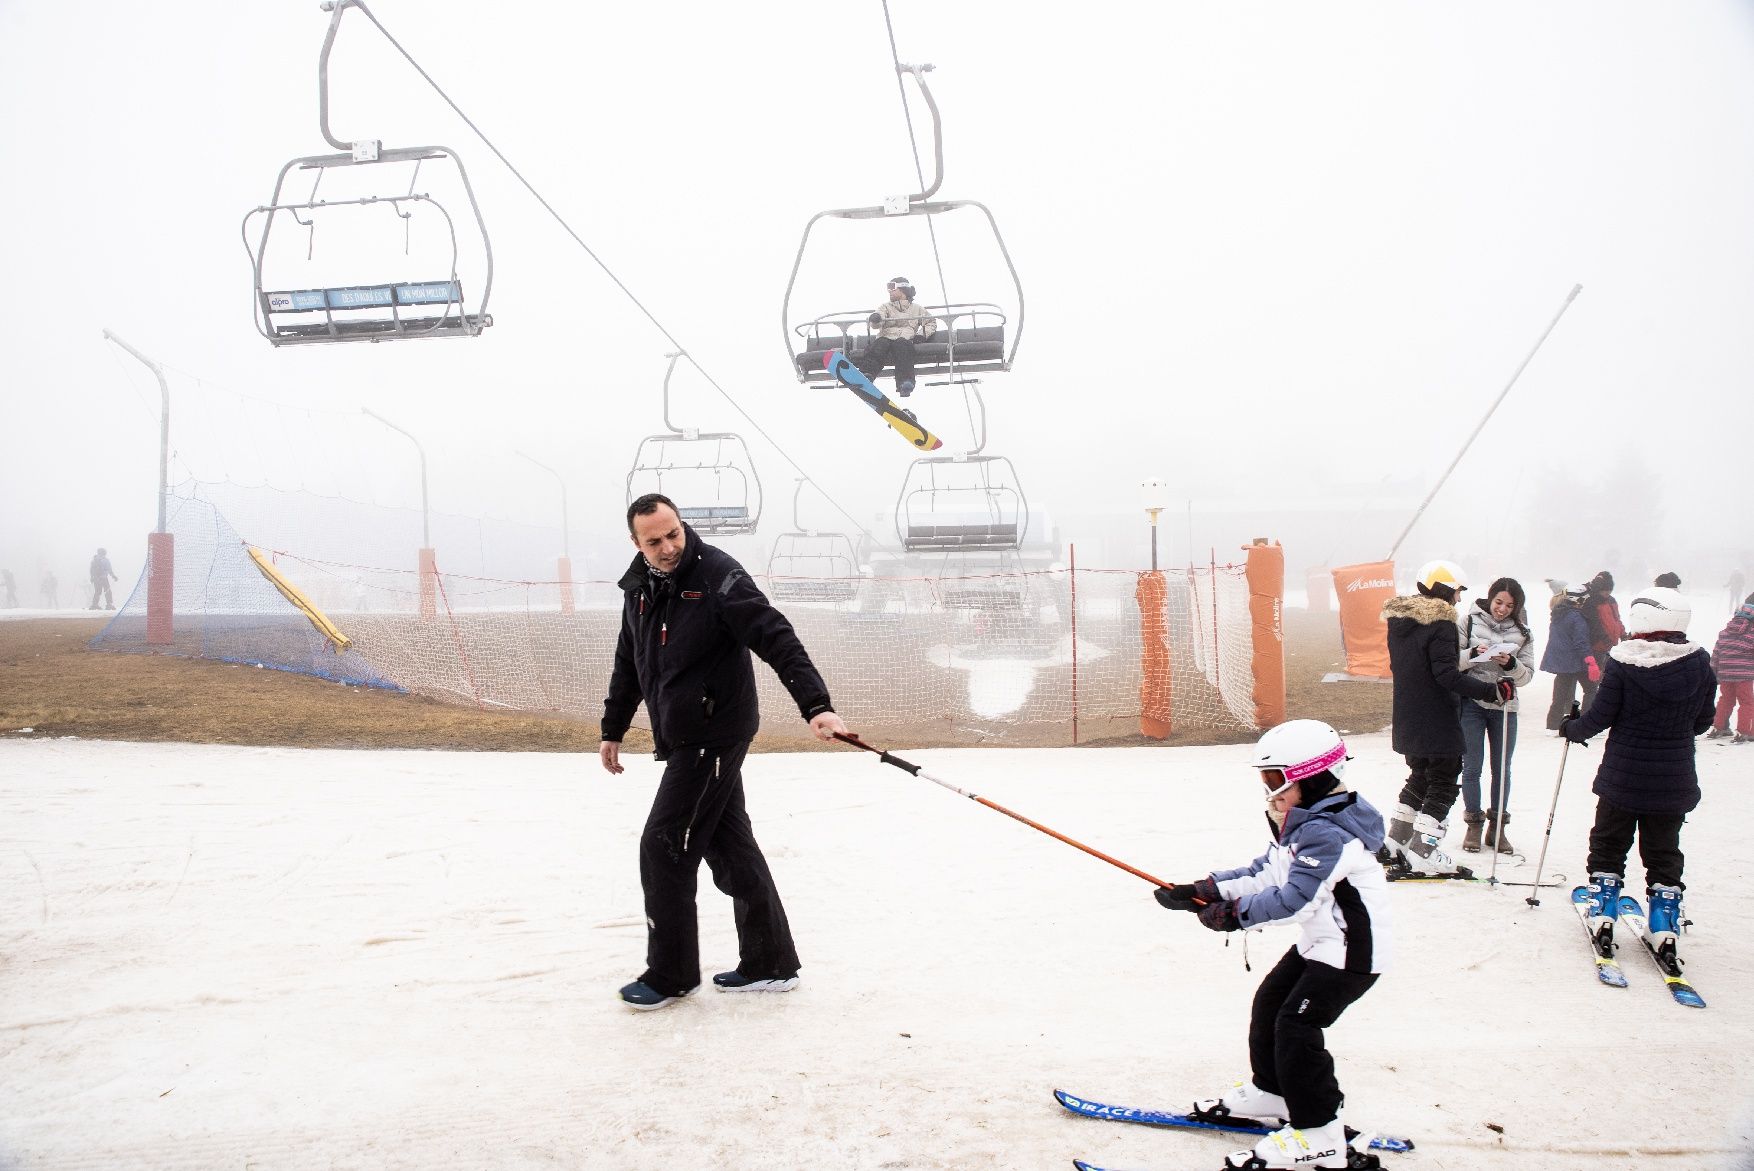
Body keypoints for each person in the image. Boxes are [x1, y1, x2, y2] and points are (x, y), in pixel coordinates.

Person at [600, 493, 850, 1011]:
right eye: (655, 541)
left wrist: (816, 705)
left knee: (664, 843)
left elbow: (774, 634)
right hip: (683, 732)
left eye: (674, 534)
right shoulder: (639, 587)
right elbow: (630, 658)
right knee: (729, 846)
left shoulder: (718, 574)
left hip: (715, 732)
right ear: (636, 543)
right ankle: (770, 963)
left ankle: (671, 975)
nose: (669, 547)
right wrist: (614, 726)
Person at [1153, 720, 1389, 1171]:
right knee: (1270, 1004)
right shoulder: (1303, 822)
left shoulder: (1327, 832)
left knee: (1297, 1028)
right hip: (1324, 942)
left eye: (1277, 780)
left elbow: (1295, 899)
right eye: (1266, 779)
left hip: (1352, 951)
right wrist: (1204, 889)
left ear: (1314, 777)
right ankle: (1274, 1092)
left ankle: (1319, 1136)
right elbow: (1268, 872)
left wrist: (1233, 915)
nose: (1269, 792)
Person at [1565, 586, 1715, 968]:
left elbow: (1601, 717)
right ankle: (1664, 924)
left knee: (1609, 842)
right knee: (1663, 850)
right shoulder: (1698, 662)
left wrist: (1572, 728)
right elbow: (1703, 720)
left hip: (1623, 777)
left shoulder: (1623, 661)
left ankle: (1603, 911)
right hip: (1673, 778)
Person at [1378, 560, 1506, 877]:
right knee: (1445, 781)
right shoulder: (1442, 623)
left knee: (1420, 776)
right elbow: (1447, 675)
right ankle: (1424, 851)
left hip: (1408, 714)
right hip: (1436, 715)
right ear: (1444, 589)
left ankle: (1395, 844)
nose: (1459, 599)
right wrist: (1492, 691)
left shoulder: (1400, 621)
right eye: (1457, 592)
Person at [1456, 577, 1535, 853]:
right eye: (1499, 602)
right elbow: (1453, 661)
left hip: (1505, 707)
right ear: (1490, 599)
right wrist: (1473, 654)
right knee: (1472, 767)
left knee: (1502, 769)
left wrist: (1511, 664)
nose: (1502, 609)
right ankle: (1474, 824)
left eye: (1509, 605)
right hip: (1473, 703)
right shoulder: (1468, 622)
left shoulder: (1523, 632)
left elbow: (1527, 677)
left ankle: (1497, 828)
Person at [854, 276, 937, 397]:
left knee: (903, 348)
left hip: (904, 338)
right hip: (886, 336)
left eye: (892, 288)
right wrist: (876, 319)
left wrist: (921, 335)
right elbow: (878, 319)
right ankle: (867, 373)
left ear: (902, 289)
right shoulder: (886, 307)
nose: (889, 291)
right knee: (879, 346)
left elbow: (930, 322)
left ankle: (904, 382)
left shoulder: (916, 309)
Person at [1541, 584, 1597, 732]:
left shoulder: (1558, 614)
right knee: (1591, 689)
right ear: (1579, 600)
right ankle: (1587, 725)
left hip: (1561, 662)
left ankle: (1552, 726)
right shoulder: (1577, 618)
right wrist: (1590, 661)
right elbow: (1581, 642)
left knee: (1559, 696)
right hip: (1575, 662)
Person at [1705, 591, 1754, 744]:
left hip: (1725, 674)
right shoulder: (1751, 633)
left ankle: (1719, 727)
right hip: (1743, 676)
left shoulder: (1724, 633)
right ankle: (1746, 731)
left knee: (1726, 699)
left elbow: (1716, 654)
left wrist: (1713, 673)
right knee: (1747, 702)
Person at [1581, 570, 1625, 677]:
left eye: (1609, 591)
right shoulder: (1591, 602)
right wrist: (1604, 638)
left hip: (1611, 645)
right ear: (1598, 589)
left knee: (1609, 677)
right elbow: (1594, 624)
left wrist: (1623, 633)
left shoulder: (1611, 600)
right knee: (1598, 678)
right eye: (1605, 591)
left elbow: (1617, 619)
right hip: (1597, 646)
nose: (1608, 593)